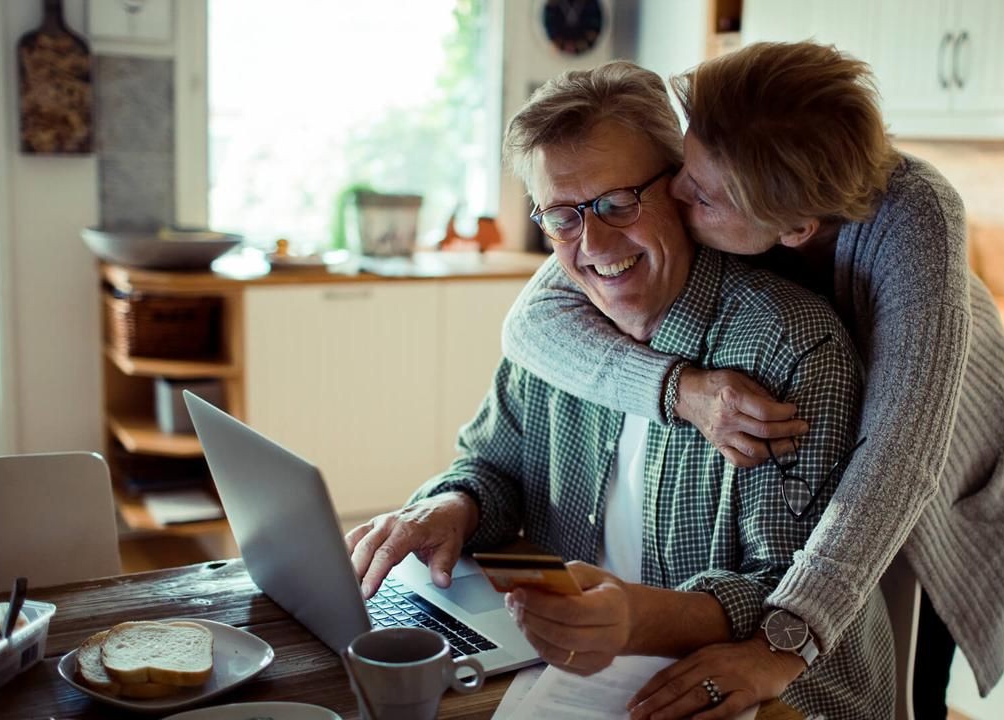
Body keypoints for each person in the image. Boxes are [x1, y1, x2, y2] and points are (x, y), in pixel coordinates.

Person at [500, 42, 1004, 720]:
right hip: (875, 450)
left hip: (947, 467)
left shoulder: (913, 221)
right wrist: (685, 390)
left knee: (914, 668)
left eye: (697, 193)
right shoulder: (716, 193)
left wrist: (779, 649)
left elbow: (900, 462)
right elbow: (529, 322)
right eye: (682, 166)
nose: (672, 192)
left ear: (793, 229)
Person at [346, 61, 894, 719]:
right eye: (563, 216)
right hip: (580, 678)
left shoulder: (788, 348)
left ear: (684, 191)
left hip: (770, 695)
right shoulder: (557, 331)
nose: (593, 243)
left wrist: (638, 619)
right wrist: (452, 508)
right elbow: (491, 465)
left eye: (617, 203)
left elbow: (792, 593)